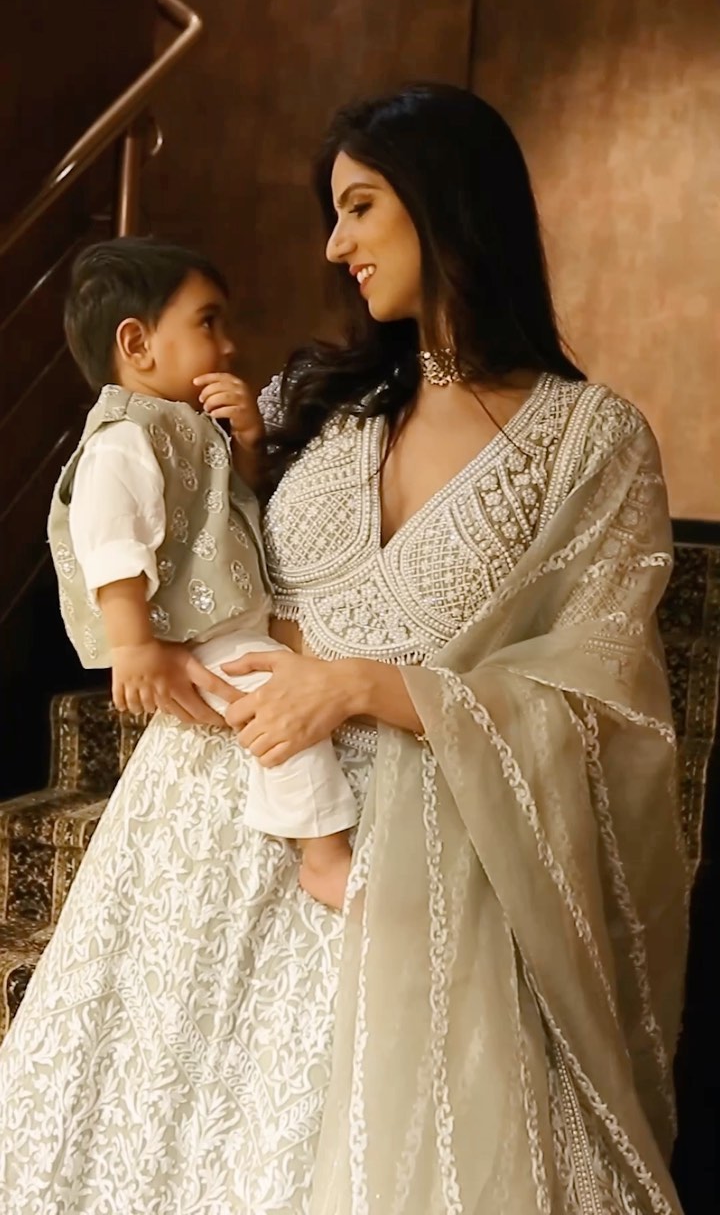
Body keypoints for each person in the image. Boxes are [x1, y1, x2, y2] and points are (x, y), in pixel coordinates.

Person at [0, 84, 690, 1214]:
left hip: (410, 860)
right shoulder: (314, 401)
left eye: (359, 206)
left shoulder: (590, 442)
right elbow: (175, 531)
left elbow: (606, 705)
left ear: (445, 200)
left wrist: (362, 685)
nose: (334, 244)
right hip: (195, 836)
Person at [48, 237, 357, 906]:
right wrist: (134, 646)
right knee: (279, 706)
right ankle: (324, 853)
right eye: (207, 323)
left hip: (226, 620)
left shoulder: (185, 426)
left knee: (275, 688)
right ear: (138, 344)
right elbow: (113, 543)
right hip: (197, 631)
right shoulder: (124, 438)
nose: (228, 345)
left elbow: (231, 505)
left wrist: (247, 443)